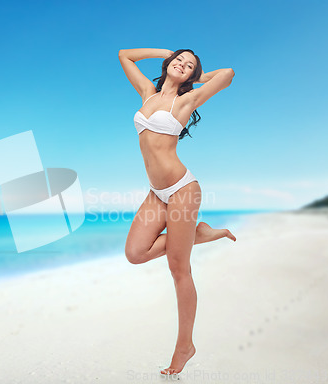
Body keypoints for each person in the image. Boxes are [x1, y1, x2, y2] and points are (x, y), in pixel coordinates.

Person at [119, 48, 237, 376]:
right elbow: (124, 56)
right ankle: (199, 234)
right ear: (168, 64)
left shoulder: (187, 101)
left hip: (182, 189)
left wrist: (197, 77)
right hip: (157, 193)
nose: (181, 65)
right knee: (135, 252)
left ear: (190, 75)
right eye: (178, 61)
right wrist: (168, 52)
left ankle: (185, 345)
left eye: (188, 66)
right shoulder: (148, 93)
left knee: (178, 269)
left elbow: (227, 74)